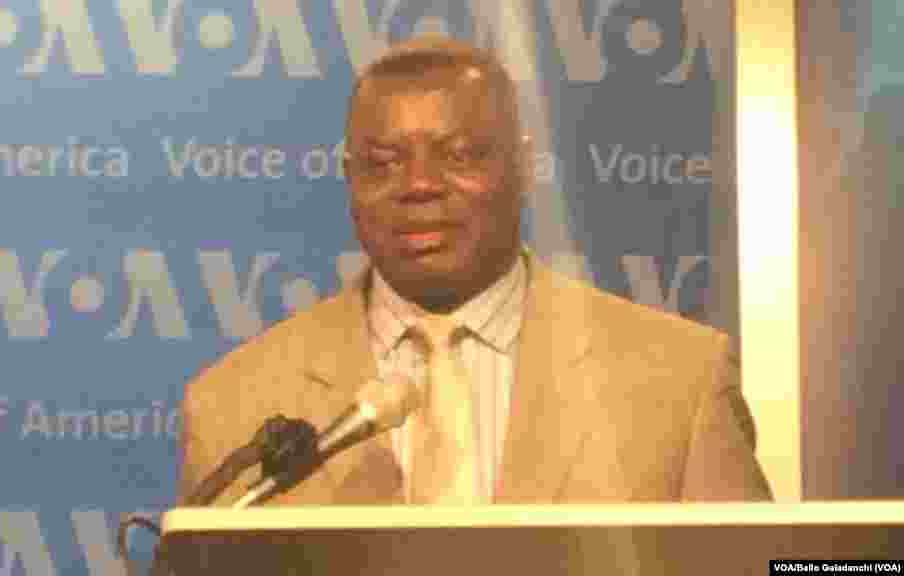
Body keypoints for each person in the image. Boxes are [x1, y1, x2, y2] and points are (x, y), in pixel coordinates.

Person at [177, 36, 772, 507]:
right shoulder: (235, 405)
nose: (419, 186)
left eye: (460, 155)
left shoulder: (678, 381)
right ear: (349, 178)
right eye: (383, 163)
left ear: (523, 163)